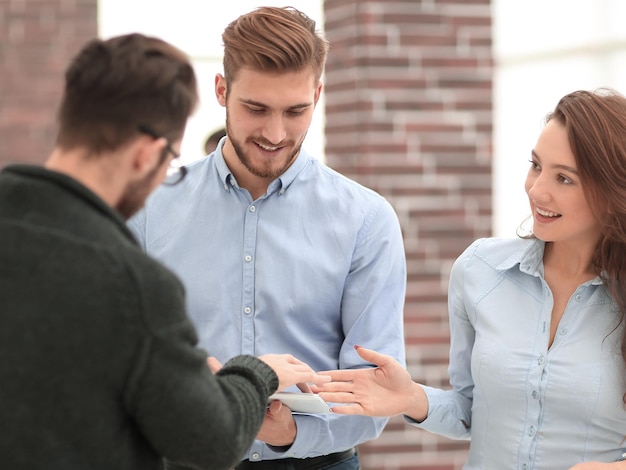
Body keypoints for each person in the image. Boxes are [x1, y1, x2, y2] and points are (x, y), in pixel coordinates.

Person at [0, 32, 331, 470]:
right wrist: (257, 373)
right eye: (170, 163)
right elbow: (208, 440)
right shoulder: (131, 284)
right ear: (146, 155)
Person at [128, 6, 407, 469]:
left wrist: (292, 433)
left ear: (317, 95)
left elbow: (374, 388)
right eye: (256, 109)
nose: (276, 134)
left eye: (296, 111)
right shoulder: (147, 209)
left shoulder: (366, 220)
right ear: (222, 91)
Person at [313, 88, 626, 469]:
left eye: (564, 179)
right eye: (536, 165)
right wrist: (411, 396)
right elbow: (470, 409)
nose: (537, 189)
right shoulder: (480, 270)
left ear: (611, 193)